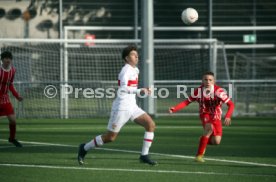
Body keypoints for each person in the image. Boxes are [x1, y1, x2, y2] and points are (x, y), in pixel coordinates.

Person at [78, 45, 157, 165]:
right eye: (133, 54)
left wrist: (142, 91)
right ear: (126, 58)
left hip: (132, 107)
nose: (136, 56)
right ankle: (84, 148)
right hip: (121, 108)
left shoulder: (135, 70)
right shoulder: (125, 70)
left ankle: (144, 155)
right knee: (110, 138)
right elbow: (123, 88)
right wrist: (139, 91)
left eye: (136, 54)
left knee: (150, 125)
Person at [169, 71, 234, 162]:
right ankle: (199, 156)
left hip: (216, 116)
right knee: (209, 128)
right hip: (205, 114)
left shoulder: (219, 91)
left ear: (214, 81)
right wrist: (174, 108)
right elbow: (187, 102)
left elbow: (231, 104)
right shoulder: (198, 91)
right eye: (205, 79)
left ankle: (203, 140)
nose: (208, 82)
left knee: (216, 142)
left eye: (210, 80)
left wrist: (228, 116)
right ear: (202, 81)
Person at [0, 51, 23, 147]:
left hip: (5, 98)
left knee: (13, 120)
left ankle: (12, 138)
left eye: (9, 58)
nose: (8, 60)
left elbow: (10, 85)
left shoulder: (13, 70)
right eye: (6, 58)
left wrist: (17, 96)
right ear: (2, 60)